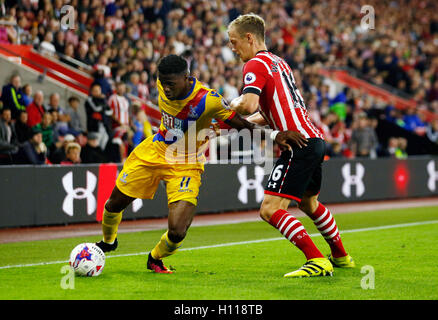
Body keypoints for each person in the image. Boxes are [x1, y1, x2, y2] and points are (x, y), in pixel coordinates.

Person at [94, 54, 304, 274]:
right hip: (155, 151)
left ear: (186, 78)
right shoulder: (162, 80)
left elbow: (241, 124)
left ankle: (155, 257)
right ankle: (109, 242)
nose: (165, 88)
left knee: (177, 231)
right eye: (163, 83)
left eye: (171, 84)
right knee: (113, 204)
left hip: (187, 162)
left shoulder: (208, 100)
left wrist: (273, 136)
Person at [227, 14, 354, 278]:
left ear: (249, 38)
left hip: (297, 144)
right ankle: (341, 256)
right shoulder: (279, 62)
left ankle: (317, 259)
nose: (232, 48)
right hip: (314, 139)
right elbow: (268, 110)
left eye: (234, 42)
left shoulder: (254, 64)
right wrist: (237, 124)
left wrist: (230, 106)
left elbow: (249, 104)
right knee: (309, 203)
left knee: (270, 209)